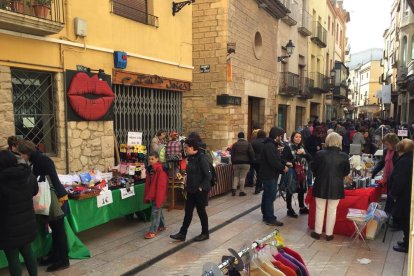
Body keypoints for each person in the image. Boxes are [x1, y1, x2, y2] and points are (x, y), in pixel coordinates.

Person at [17, 140, 70, 272]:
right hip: (50, 198)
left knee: (59, 231)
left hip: (55, 198)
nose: (21, 157)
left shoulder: (42, 160)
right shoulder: (38, 160)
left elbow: (47, 180)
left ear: (26, 152)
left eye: (21, 154)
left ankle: (63, 260)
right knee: (55, 229)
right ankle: (55, 255)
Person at [0, 150, 38, 276]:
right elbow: (34, 191)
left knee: (13, 257)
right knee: (28, 252)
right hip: (27, 223)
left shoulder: (2, 181)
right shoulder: (28, 175)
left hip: (8, 227)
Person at [170, 137, 212, 242]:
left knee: (201, 211)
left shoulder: (202, 158)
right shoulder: (191, 158)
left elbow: (208, 176)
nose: (185, 149)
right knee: (188, 211)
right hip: (191, 189)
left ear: (192, 147)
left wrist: (201, 187)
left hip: (200, 191)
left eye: (186, 147)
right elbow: (191, 172)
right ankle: (182, 233)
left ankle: (205, 233)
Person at [310, 132, 350, 241]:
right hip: (336, 185)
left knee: (320, 209)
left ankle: (318, 232)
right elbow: (346, 171)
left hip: (321, 183)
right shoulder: (344, 156)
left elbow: (313, 168)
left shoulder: (319, 154)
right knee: (332, 210)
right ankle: (329, 234)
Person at [389, 139, 414, 253]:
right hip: (407, 193)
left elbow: (399, 180)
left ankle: (407, 244)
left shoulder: (404, 161)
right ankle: (405, 241)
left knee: (405, 220)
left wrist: (393, 194)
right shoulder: (409, 158)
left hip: (404, 195)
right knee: (407, 219)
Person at [259, 127, 287, 227]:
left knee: (267, 195)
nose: (281, 138)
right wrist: (283, 168)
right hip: (269, 175)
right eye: (280, 136)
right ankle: (270, 218)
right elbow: (273, 161)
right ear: (276, 136)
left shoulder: (271, 145)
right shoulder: (270, 146)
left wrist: (284, 163)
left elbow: (276, 158)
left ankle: (266, 215)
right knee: (270, 196)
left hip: (269, 174)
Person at [282, 132, 312, 218]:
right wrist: (289, 163)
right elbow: (282, 159)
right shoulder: (288, 147)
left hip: (301, 172)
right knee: (290, 190)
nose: (298, 139)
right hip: (292, 172)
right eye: (296, 137)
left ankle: (302, 207)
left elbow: (310, 158)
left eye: (299, 137)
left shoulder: (302, 148)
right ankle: (289, 209)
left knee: (301, 190)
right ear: (292, 138)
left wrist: (304, 153)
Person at [144, 151, 168, 239]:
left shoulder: (160, 169)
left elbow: (161, 186)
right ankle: (162, 225)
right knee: (158, 210)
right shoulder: (150, 168)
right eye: (149, 159)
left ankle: (153, 231)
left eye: (152, 159)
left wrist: (159, 198)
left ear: (157, 159)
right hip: (153, 193)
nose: (150, 160)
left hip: (158, 194)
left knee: (155, 212)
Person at [230, 132, 255, 196]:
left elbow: (232, 154)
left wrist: (233, 161)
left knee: (236, 176)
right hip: (245, 163)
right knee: (242, 177)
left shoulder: (235, 144)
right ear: (244, 137)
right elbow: (251, 154)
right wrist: (251, 161)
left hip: (236, 163)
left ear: (238, 137)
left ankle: (234, 188)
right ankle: (241, 191)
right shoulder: (248, 144)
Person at [251, 130, 266, 194]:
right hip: (263, 160)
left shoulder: (253, 142)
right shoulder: (265, 142)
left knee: (258, 174)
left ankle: (259, 186)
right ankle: (258, 188)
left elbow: (251, 151)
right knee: (260, 174)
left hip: (255, 160)